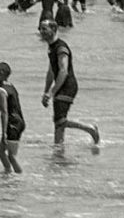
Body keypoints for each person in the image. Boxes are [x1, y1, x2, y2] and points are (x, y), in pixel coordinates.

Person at [41, 20, 100, 149]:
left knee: (60, 121)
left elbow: (63, 71)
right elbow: (51, 71)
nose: (41, 32)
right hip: (60, 87)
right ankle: (58, 151)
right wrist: (46, 92)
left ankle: (90, 129)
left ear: (54, 29)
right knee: (58, 123)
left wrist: (51, 92)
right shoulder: (51, 48)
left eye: (44, 29)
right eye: (40, 29)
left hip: (67, 86)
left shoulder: (61, 47)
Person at [0, 62, 25, 174]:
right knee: (0, 150)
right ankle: (8, 171)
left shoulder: (1, 91)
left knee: (11, 156)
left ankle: (19, 176)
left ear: (1, 73)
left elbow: (4, 112)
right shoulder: (11, 86)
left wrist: (4, 133)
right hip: (19, 122)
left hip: (12, 124)